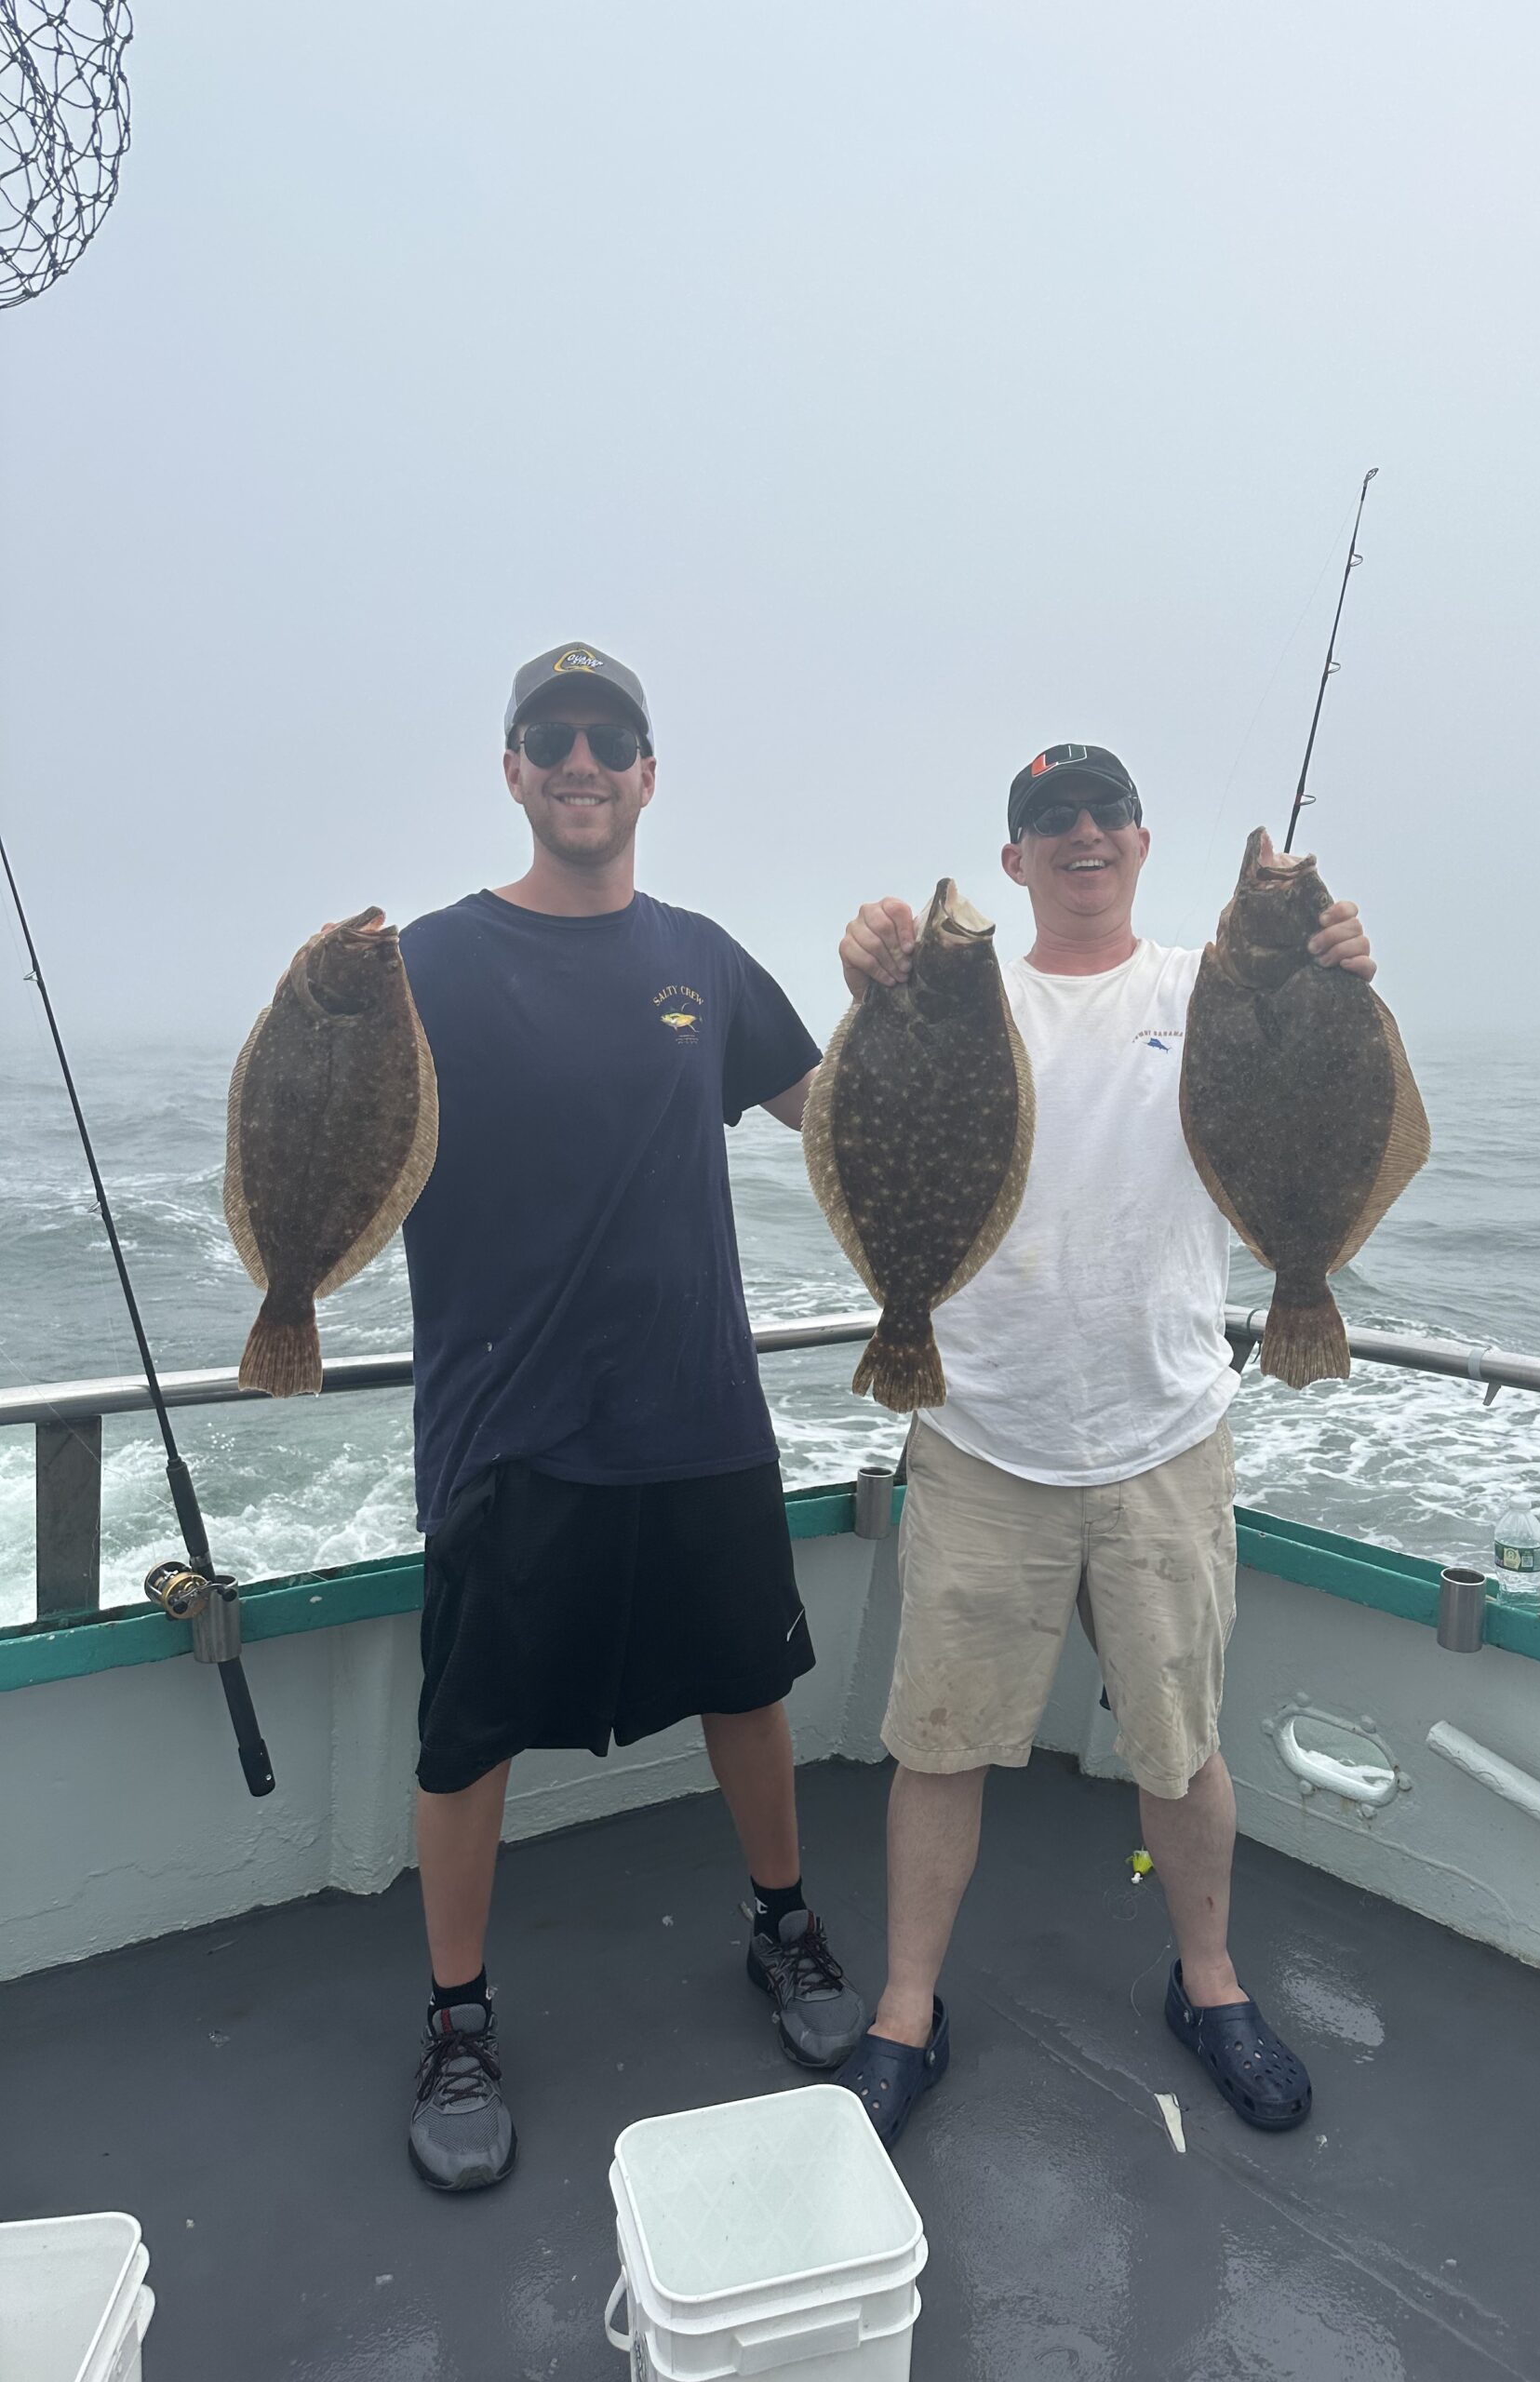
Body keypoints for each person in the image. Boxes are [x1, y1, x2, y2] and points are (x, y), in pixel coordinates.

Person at [830, 743, 1377, 2146]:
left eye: (1103, 814)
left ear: (1142, 841)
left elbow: (1329, 1093)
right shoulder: (971, 996)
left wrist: (1340, 969)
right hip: (981, 1434)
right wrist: (871, 976)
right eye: (1045, 820)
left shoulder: (1213, 989)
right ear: (1013, 861)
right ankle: (905, 2010)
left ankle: (1212, 1986)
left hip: (1164, 1436)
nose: (1079, 833)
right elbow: (866, 1097)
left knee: (1181, 1749)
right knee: (938, 1747)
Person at [395, 642, 864, 2191]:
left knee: (748, 1687)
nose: (582, 759)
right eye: (553, 737)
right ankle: (457, 2016)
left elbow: (845, 1114)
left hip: (696, 1410)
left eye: (611, 738)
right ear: (515, 771)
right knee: (468, 1740)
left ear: (648, 774)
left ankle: (782, 1930)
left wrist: (914, 999)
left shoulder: (705, 962)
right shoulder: (425, 967)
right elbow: (326, 1141)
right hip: (506, 1429)